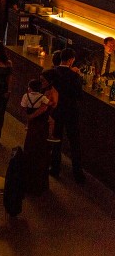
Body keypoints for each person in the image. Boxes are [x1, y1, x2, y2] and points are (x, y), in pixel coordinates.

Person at [51, 48, 85, 184]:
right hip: (71, 111)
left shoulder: (53, 72)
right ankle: (77, 173)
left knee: (56, 140)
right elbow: (79, 95)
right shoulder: (74, 76)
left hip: (57, 110)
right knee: (74, 142)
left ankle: (55, 168)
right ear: (71, 60)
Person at [22, 75, 58, 195]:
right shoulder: (46, 93)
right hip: (40, 125)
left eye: (43, 80)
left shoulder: (49, 93)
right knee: (38, 153)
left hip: (39, 126)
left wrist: (30, 117)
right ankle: (37, 184)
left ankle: (32, 184)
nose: (41, 82)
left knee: (34, 151)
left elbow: (44, 109)